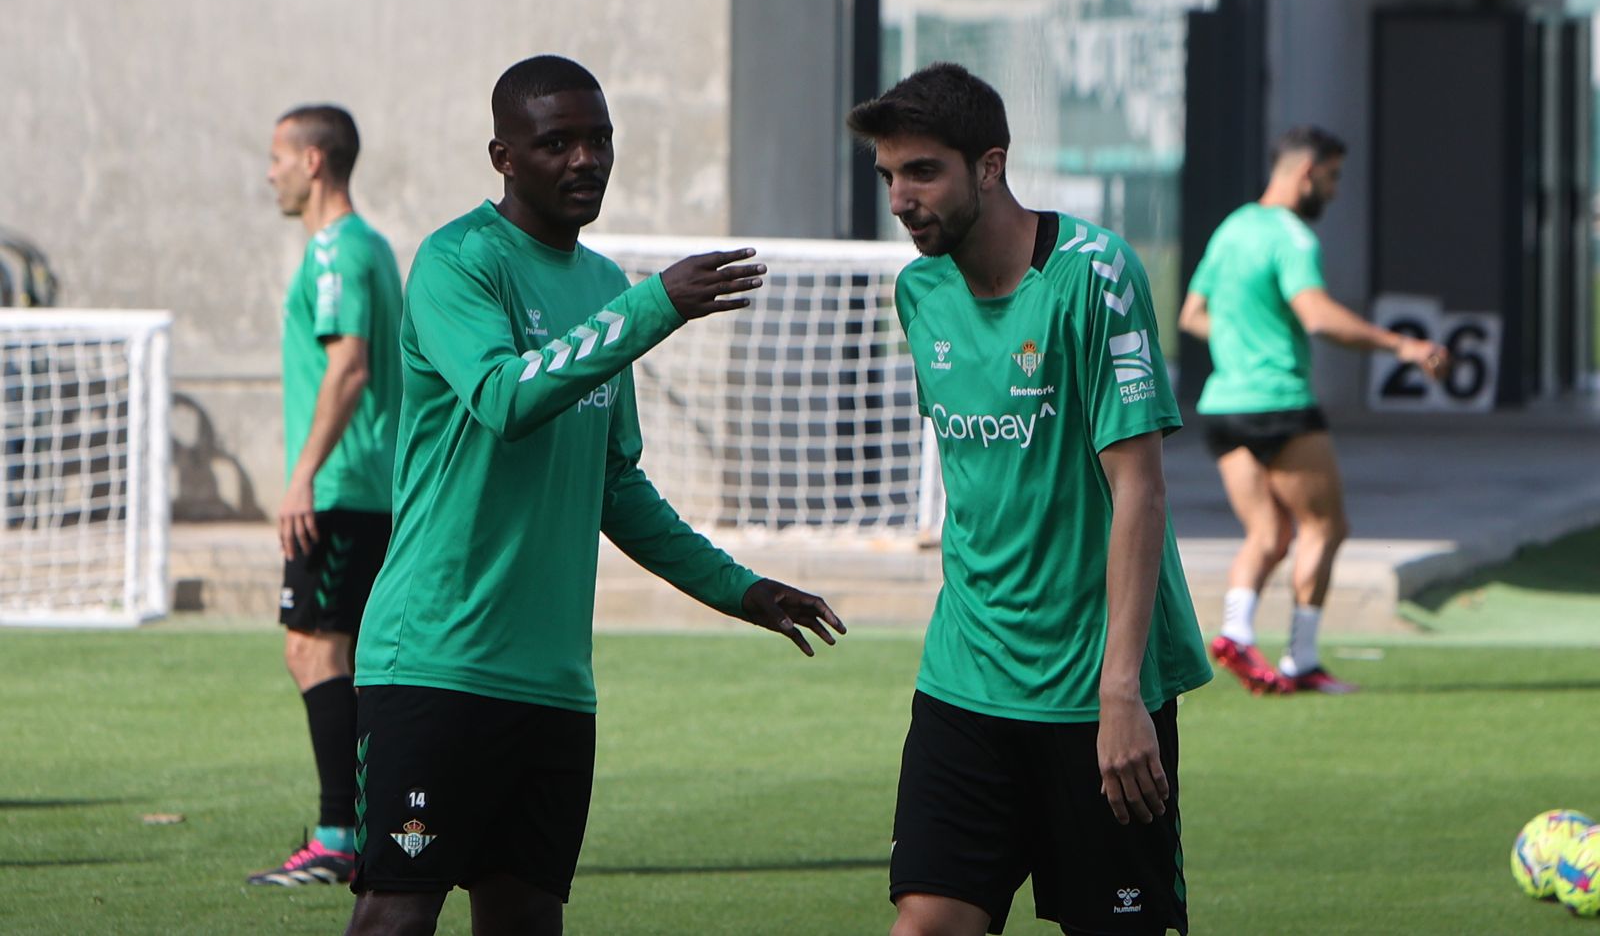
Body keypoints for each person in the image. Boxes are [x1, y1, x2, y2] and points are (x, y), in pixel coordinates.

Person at [344, 55, 845, 936]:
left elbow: (615, 483)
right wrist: (658, 307)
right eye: (557, 143)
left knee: (528, 916)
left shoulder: (604, 286)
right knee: (396, 913)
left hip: (554, 683)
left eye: (600, 139)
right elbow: (505, 399)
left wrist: (743, 588)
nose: (586, 160)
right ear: (503, 155)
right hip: (434, 660)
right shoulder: (458, 262)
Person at [849, 62, 1212, 936]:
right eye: (889, 176)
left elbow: (1141, 491)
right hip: (965, 679)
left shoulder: (1096, 275)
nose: (901, 197)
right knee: (926, 924)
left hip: (1094, 690)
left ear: (989, 165)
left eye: (923, 171)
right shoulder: (918, 291)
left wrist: (1119, 692)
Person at [1178, 126, 1449, 696]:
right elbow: (1320, 317)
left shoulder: (1232, 229)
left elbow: (1193, 314)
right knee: (1326, 526)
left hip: (1224, 406)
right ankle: (1301, 659)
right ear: (1307, 173)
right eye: (1333, 178)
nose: (1335, 191)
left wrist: (1242, 344)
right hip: (1279, 403)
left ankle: (1235, 632)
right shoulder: (1291, 236)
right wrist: (1403, 346)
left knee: (1268, 532)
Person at [251, 104, 403, 887]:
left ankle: (341, 835)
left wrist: (302, 474)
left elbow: (350, 365)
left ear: (314, 162)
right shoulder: (370, 245)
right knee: (337, 651)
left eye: (277, 156)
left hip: (343, 486)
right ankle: (372, 828)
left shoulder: (337, 251)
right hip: (369, 484)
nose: (268, 171)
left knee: (315, 647)